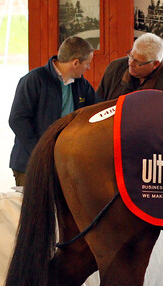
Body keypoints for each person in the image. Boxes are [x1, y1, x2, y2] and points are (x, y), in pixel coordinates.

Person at [9, 36, 99, 186]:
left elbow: (96, 111)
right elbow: (17, 120)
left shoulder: (81, 84)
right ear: (76, 63)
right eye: (87, 63)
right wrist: (40, 152)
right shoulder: (33, 80)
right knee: (35, 209)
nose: (88, 68)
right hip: (31, 164)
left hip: (65, 164)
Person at [96, 33, 163, 101]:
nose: (130, 63)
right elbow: (97, 104)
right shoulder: (115, 68)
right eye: (131, 56)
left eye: (139, 62)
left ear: (155, 64)